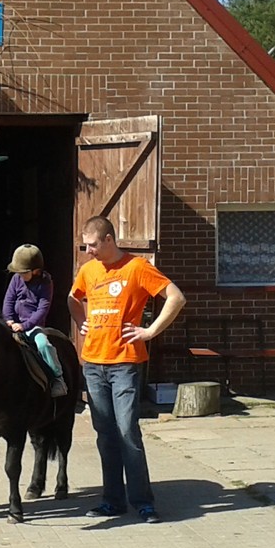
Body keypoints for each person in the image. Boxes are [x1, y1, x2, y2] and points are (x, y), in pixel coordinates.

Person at [67, 216, 186, 524]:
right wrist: (80, 320)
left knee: (126, 431)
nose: (89, 251)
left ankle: (143, 502)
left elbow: (176, 297)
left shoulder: (137, 267)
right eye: (86, 245)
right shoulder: (88, 270)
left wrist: (150, 331)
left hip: (125, 363)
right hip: (93, 363)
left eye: (93, 245)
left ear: (109, 239)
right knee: (105, 434)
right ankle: (112, 500)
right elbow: (72, 298)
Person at [2, 244, 67, 398]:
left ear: (36, 271)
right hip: (13, 324)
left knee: (44, 345)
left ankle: (58, 378)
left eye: (23, 273)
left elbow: (42, 309)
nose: (20, 275)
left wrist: (25, 325)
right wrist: (9, 319)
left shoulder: (46, 283)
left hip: (33, 326)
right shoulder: (16, 279)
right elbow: (8, 300)